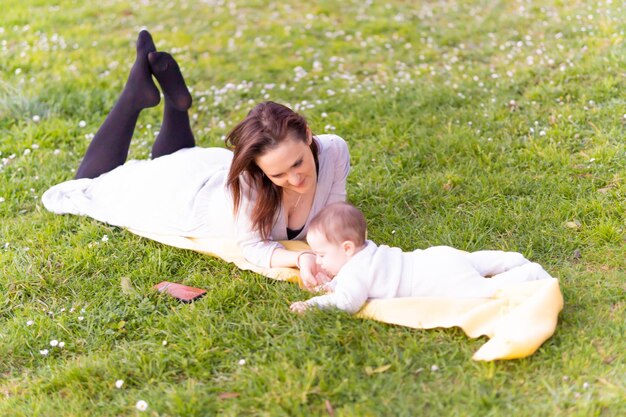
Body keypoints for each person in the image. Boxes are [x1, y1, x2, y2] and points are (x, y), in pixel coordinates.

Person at [41, 30, 350, 288]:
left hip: (208, 174)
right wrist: (300, 257)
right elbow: (254, 247)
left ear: (308, 134)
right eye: (278, 175)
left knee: (178, 157)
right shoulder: (250, 185)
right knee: (89, 182)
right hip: (185, 202)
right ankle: (133, 97)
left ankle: (173, 104)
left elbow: (335, 214)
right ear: (259, 169)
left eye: (297, 163)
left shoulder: (333, 152)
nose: (295, 180)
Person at [290, 202, 553, 313]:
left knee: (482, 290)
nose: (320, 261)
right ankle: (510, 258)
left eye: (322, 255)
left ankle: (528, 274)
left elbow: (348, 301)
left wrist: (314, 304)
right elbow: (352, 280)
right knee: (474, 260)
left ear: (347, 248)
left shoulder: (355, 272)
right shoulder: (368, 249)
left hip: (437, 280)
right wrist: (332, 283)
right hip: (437, 257)